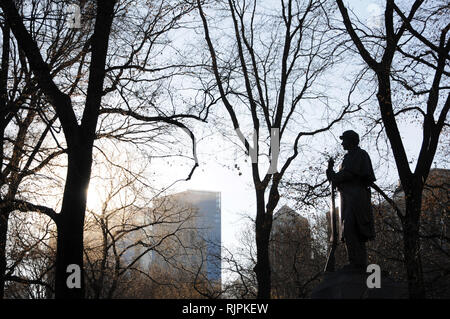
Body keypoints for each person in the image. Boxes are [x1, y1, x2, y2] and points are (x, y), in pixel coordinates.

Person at [326, 130, 376, 270]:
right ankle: (354, 261)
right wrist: (330, 170)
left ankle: (358, 263)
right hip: (347, 198)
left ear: (352, 140)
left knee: (354, 228)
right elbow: (336, 179)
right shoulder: (347, 158)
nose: (342, 143)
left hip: (357, 197)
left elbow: (347, 174)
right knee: (347, 230)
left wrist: (335, 176)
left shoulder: (360, 155)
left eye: (345, 140)